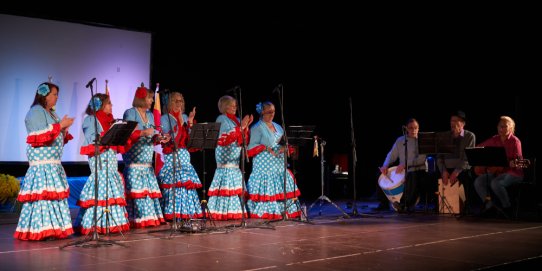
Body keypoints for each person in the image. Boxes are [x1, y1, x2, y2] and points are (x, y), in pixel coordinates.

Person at [14, 82, 75, 240]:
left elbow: (54, 135)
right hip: (43, 165)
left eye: (57, 94)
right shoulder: (35, 112)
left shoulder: (52, 113)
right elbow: (39, 136)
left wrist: (63, 129)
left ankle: (55, 229)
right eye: (54, 94)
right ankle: (43, 230)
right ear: (44, 95)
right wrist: (60, 126)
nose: (57, 97)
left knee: (53, 197)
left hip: (53, 164)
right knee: (44, 197)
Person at [74, 93, 130, 234]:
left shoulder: (111, 121)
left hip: (110, 160)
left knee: (110, 188)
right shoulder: (90, 120)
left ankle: (111, 223)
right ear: (100, 105)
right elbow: (93, 139)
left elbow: (116, 143)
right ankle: (96, 223)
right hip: (99, 158)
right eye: (109, 103)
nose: (111, 106)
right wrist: (107, 135)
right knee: (100, 187)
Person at [246, 101, 301, 219]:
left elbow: (282, 142)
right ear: (262, 112)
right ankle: (267, 211)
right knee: (269, 192)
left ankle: (283, 211)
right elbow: (250, 148)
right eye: (269, 112)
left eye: (273, 111)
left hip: (279, 165)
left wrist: (286, 148)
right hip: (265, 166)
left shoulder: (278, 127)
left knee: (281, 188)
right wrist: (265, 147)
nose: (272, 114)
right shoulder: (257, 128)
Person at [122, 85, 165, 228]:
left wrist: (158, 139)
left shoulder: (151, 115)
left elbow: (152, 135)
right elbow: (128, 134)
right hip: (134, 161)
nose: (152, 101)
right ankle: (137, 219)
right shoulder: (130, 113)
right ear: (141, 98)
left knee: (147, 193)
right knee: (137, 193)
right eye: (150, 98)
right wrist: (143, 132)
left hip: (147, 162)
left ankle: (148, 218)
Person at [158, 91, 203, 220]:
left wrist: (189, 122)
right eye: (176, 101)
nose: (179, 103)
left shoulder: (183, 116)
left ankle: (187, 213)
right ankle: (174, 213)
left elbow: (190, 141)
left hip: (184, 156)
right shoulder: (164, 118)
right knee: (176, 184)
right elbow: (172, 140)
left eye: (181, 101)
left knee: (186, 183)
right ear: (170, 103)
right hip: (172, 154)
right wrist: (179, 122)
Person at [207, 95, 253, 220]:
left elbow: (242, 137)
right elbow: (226, 137)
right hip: (225, 159)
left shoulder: (236, 119)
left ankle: (235, 211)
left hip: (235, 161)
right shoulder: (221, 118)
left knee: (235, 187)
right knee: (226, 187)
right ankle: (221, 212)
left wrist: (245, 126)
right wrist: (241, 126)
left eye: (235, 105)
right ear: (225, 107)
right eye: (232, 105)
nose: (234, 107)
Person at [473, 116, 524, 215]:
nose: (501, 129)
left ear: (510, 128)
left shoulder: (515, 141)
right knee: (478, 182)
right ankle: (490, 207)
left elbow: (519, 161)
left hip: (513, 173)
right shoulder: (494, 139)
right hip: (498, 172)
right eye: (500, 126)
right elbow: (478, 147)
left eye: (504, 127)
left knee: (495, 183)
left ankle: (507, 207)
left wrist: (514, 163)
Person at [380, 118, 427, 213]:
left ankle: (404, 205)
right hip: (403, 168)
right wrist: (385, 165)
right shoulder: (400, 140)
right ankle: (384, 203)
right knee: (381, 175)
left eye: (416, 128)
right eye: (411, 128)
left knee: (412, 175)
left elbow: (421, 159)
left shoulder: (423, 141)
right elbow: (391, 155)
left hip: (418, 170)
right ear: (406, 129)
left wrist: (405, 165)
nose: (413, 130)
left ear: (418, 128)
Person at [437, 110, 476, 214]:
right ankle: (440, 205)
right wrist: (443, 171)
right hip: (447, 169)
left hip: (461, 169)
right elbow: (439, 157)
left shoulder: (469, 136)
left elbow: (467, 158)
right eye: (451, 121)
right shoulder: (444, 136)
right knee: (432, 177)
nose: (453, 123)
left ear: (463, 123)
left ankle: (466, 206)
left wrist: (457, 171)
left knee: (466, 177)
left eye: (456, 121)